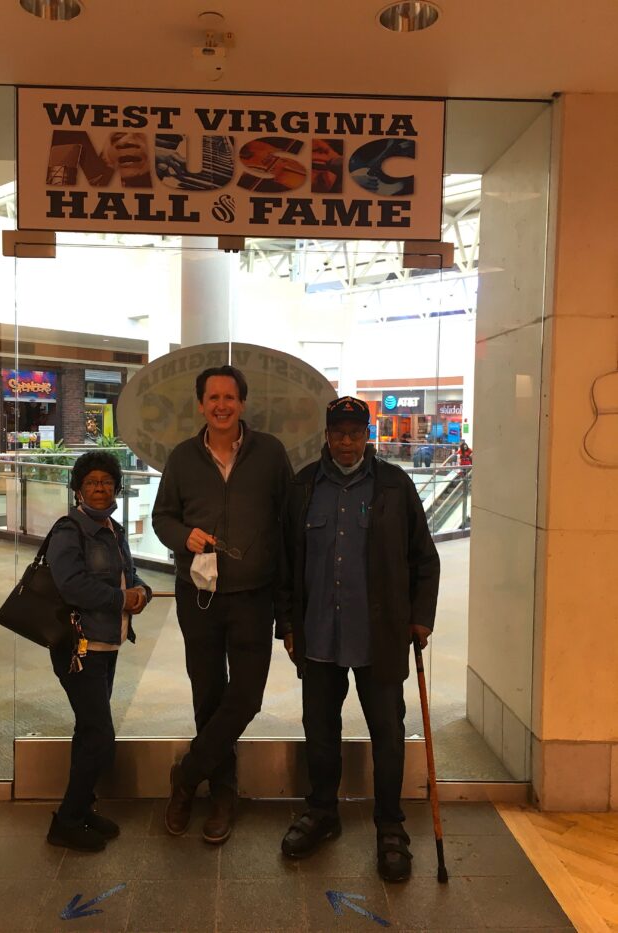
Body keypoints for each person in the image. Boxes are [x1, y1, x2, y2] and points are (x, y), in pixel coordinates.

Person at [276, 396, 439, 881]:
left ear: (367, 436)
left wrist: (420, 618)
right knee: (319, 730)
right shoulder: (303, 486)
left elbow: (424, 558)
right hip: (318, 634)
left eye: (354, 433)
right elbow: (286, 563)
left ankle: (390, 825)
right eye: (338, 433)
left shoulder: (394, 485)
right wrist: (288, 624)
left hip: (380, 637)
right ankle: (322, 812)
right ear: (327, 436)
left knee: (387, 733)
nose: (346, 442)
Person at [152, 365, 292, 845]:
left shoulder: (270, 453)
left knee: (247, 697)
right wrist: (182, 536)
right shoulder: (182, 457)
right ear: (201, 405)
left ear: (242, 403)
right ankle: (222, 793)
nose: (221, 405)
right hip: (200, 596)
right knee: (208, 695)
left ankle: (187, 774)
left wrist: (287, 599)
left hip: (255, 596)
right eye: (212, 397)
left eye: (229, 397)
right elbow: (162, 517)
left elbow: (287, 521)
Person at [45, 450, 152, 852]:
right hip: (79, 648)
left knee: (88, 730)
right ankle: (67, 821)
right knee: (99, 736)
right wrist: (121, 599)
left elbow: (128, 574)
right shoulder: (69, 530)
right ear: (78, 489)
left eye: (107, 482)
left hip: (106, 644)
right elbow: (71, 585)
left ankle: (82, 808)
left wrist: (141, 591)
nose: (100, 488)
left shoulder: (113, 529)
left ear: (116, 488)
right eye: (91, 482)